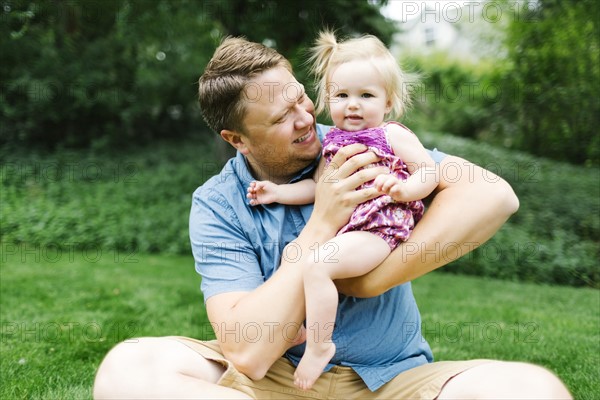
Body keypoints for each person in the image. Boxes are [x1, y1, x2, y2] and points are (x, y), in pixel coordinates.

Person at [93, 35, 572, 399]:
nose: (306, 118)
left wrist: (369, 280)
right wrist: (322, 221)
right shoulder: (219, 204)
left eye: (302, 97)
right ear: (236, 139)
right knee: (128, 368)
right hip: (277, 381)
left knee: (531, 388)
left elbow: (494, 197)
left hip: (390, 380)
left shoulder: (366, 143)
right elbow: (248, 353)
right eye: (281, 118)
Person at [245, 31, 440, 390]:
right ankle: (294, 329)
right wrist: (278, 192)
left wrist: (405, 188)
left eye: (366, 95)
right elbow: (319, 191)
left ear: (388, 102)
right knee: (294, 255)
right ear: (327, 99)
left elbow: (429, 169)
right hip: (352, 231)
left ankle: (319, 345)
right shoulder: (331, 141)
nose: (353, 105)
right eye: (342, 95)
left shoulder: (390, 135)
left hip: (379, 230)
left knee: (318, 267)